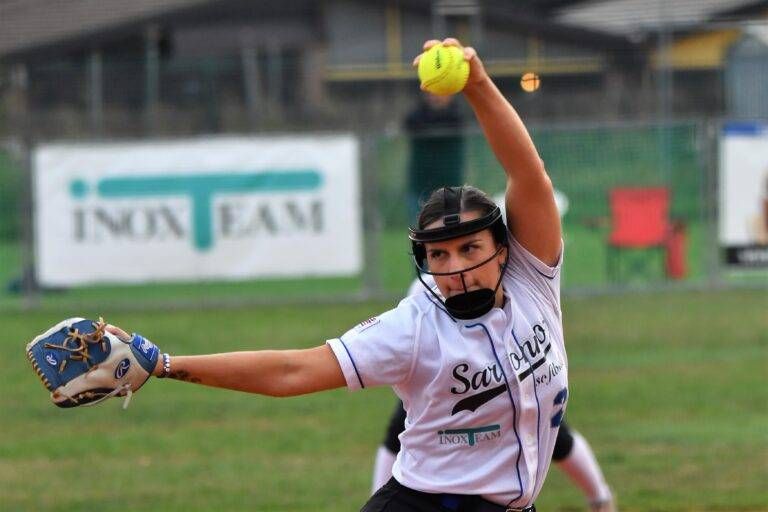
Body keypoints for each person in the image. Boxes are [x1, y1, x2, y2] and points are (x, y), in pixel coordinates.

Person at [109, 38, 567, 512]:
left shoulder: (531, 280)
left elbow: (528, 175)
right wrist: (166, 364)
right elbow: (292, 371)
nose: (455, 269)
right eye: (439, 255)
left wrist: (477, 84)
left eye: (469, 248)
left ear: (502, 250)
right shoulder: (414, 327)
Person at [370, 276, 617, 512]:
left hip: (505, 379)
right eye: (439, 254)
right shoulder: (422, 291)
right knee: (398, 432)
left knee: (556, 437)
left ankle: (600, 498)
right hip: (448, 388)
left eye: (468, 247)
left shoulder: (509, 281)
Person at [405, 92, 465, 222]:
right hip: (421, 185)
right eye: (430, 93)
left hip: (449, 187)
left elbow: (452, 120)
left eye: (439, 93)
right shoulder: (417, 116)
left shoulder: (456, 116)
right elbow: (410, 122)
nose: (435, 97)